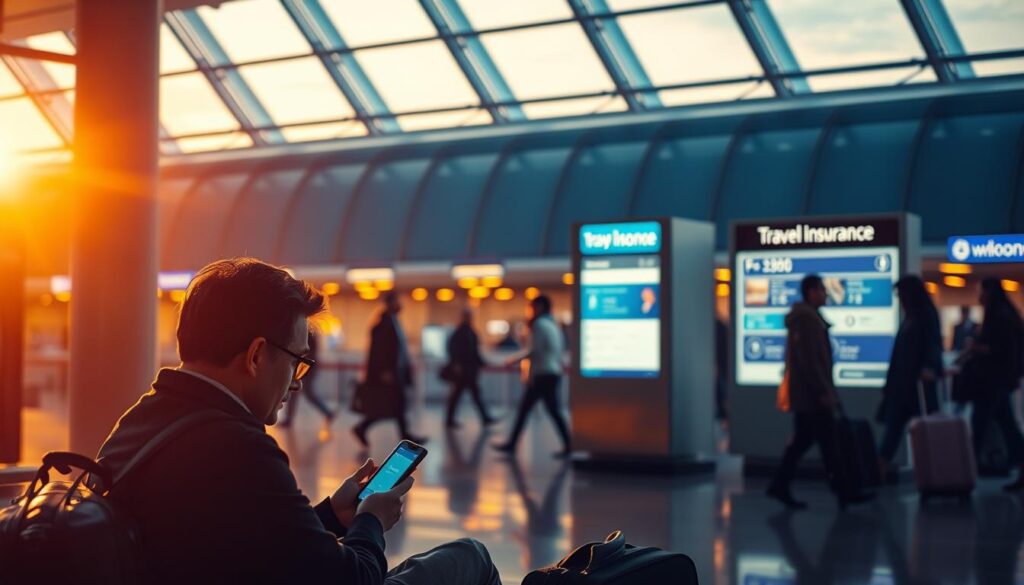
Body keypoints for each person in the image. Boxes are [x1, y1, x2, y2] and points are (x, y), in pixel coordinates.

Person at [96, 258, 501, 584]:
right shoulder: (238, 448)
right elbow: (353, 578)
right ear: (257, 356)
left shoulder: (141, 422)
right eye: (298, 362)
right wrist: (371, 522)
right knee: (469, 558)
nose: (298, 383)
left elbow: (254, 540)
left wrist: (329, 517)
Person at [766, 274, 873, 510]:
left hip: (809, 395)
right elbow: (811, 361)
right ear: (811, 292)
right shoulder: (806, 320)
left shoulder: (808, 318)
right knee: (828, 443)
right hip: (812, 396)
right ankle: (843, 490)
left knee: (807, 442)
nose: (826, 294)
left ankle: (781, 484)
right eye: (822, 290)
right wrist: (824, 390)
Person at [960, 277, 1024, 491]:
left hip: (992, 382)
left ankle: (965, 473)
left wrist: (977, 348)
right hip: (997, 382)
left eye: (982, 290)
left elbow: (1001, 350)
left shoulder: (999, 318)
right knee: (1007, 427)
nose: (979, 296)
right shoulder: (1004, 315)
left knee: (981, 426)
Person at [876, 276, 943, 473]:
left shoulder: (922, 316)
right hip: (904, 386)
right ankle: (881, 468)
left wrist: (927, 368)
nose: (899, 298)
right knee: (895, 429)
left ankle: (933, 468)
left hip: (915, 386)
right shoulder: (912, 317)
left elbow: (932, 345)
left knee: (906, 429)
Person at [493, 294, 572, 457]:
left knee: (532, 410)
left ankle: (512, 444)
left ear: (539, 307)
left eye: (532, 307)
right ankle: (568, 444)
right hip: (551, 373)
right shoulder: (552, 325)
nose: (529, 311)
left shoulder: (539, 325)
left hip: (542, 374)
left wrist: (514, 359)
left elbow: (533, 350)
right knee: (546, 410)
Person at [352, 292, 426, 448]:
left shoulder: (393, 321)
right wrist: (384, 371)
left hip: (395, 373)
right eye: (398, 301)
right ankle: (363, 427)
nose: (400, 305)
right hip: (388, 374)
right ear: (390, 303)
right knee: (390, 405)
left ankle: (404, 436)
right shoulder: (383, 324)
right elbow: (378, 351)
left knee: (396, 405)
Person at [444, 307, 497, 429]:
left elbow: (474, 352)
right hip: (464, 371)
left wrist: (482, 362)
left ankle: (484, 418)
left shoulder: (470, 332)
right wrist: (456, 364)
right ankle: (484, 418)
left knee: (469, 395)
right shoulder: (460, 332)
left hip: (470, 370)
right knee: (461, 395)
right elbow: (453, 349)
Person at [278, 330, 336, 436]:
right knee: (301, 393)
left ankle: (328, 412)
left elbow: (307, 352)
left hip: (306, 368)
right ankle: (327, 413)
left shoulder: (307, 333)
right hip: (306, 367)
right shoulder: (309, 333)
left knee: (305, 393)